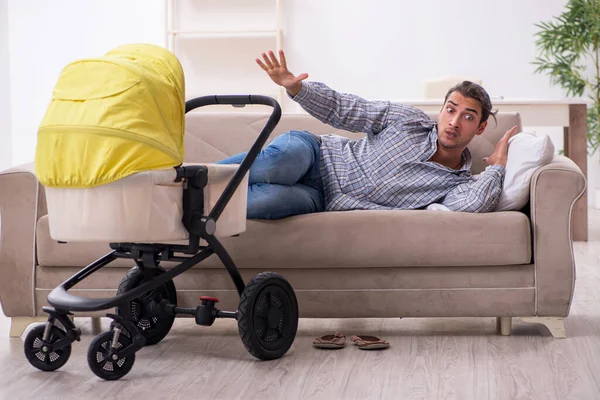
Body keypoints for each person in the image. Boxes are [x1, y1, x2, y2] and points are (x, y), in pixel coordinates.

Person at [217, 50, 519, 220]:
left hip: (322, 198)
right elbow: (345, 109)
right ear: (441, 111)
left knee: (263, 203)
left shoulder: (456, 185)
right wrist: (296, 88)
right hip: (316, 155)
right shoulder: (407, 120)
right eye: (450, 110)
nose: (454, 122)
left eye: (467, 117)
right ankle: (193, 179)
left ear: (479, 128)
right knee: (277, 165)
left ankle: (193, 207)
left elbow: (472, 206)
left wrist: (496, 167)